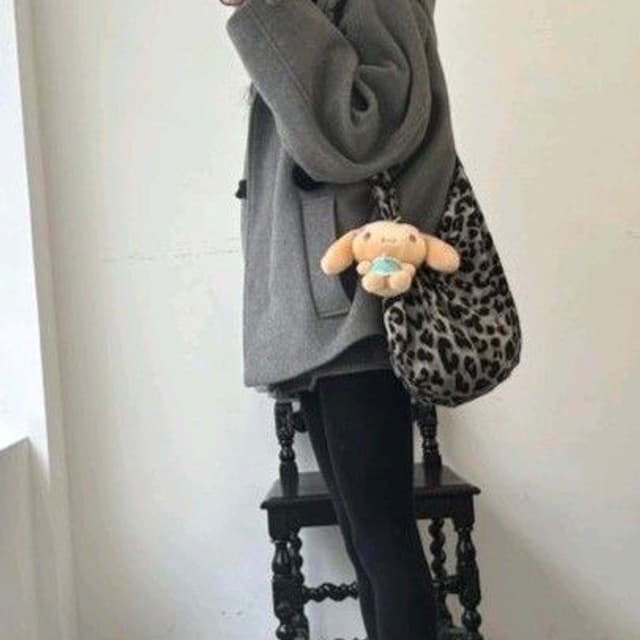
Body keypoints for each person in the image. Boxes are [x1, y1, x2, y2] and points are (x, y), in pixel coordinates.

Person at [223, 1, 459, 637]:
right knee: (367, 540)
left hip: (360, 308)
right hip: (327, 311)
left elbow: (365, 131)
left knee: (383, 542)